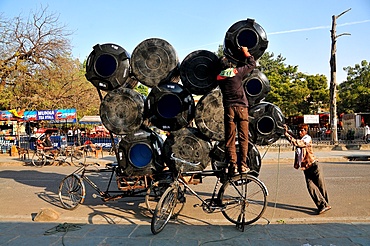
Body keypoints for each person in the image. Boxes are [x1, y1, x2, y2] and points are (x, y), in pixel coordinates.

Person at [217, 46, 256, 175]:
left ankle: (233, 165)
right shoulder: (237, 72)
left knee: (230, 138)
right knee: (244, 138)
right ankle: (243, 165)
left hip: (229, 109)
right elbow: (252, 64)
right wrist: (246, 52)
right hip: (242, 108)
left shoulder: (219, 77)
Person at [284, 123, 331, 214]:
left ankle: (325, 204)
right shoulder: (300, 138)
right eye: (299, 130)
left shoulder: (307, 138)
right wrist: (286, 132)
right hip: (306, 168)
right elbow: (293, 138)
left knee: (321, 186)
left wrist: (287, 135)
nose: (300, 132)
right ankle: (322, 205)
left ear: (305, 131)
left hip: (314, 166)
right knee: (311, 188)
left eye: (302, 130)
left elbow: (298, 143)